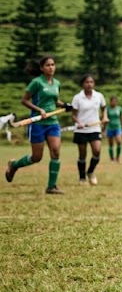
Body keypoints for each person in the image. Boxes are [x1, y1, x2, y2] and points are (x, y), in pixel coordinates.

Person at [5, 55, 72, 194]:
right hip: (37, 123)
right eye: (48, 65)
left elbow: (54, 100)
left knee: (55, 151)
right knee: (37, 157)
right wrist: (39, 110)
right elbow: (24, 100)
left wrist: (65, 105)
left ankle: (51, 186)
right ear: (42, 68)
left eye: (53, 64)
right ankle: (14, 165)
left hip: (52, 122)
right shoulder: (36, 82)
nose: (51, 67)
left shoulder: (57, 83)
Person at [70, 75, 107, 185]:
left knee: (97, 151)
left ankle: (90, 172)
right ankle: (82, 178)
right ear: (83, 84)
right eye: (87, 82)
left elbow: (104, 109)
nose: (89, 84)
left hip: (95, 128)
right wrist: (79, 123)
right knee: (82, 154)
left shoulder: (99, 96)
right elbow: (73, 115)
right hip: (81, 130)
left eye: (91, 82)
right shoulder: (77, 97)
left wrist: (104, 117)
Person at [105, 96, 122, 162]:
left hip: (118, 127)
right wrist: (103, 129)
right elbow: (105, 119)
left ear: (117, 102)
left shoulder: (119, 109)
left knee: (119, 142)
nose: (114, 102)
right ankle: (112, 158)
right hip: (110, 128)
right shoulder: (107, 109)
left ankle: (118, 157)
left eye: (115, 101)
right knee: (111, 144)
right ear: (110, 102)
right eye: (112, 101)